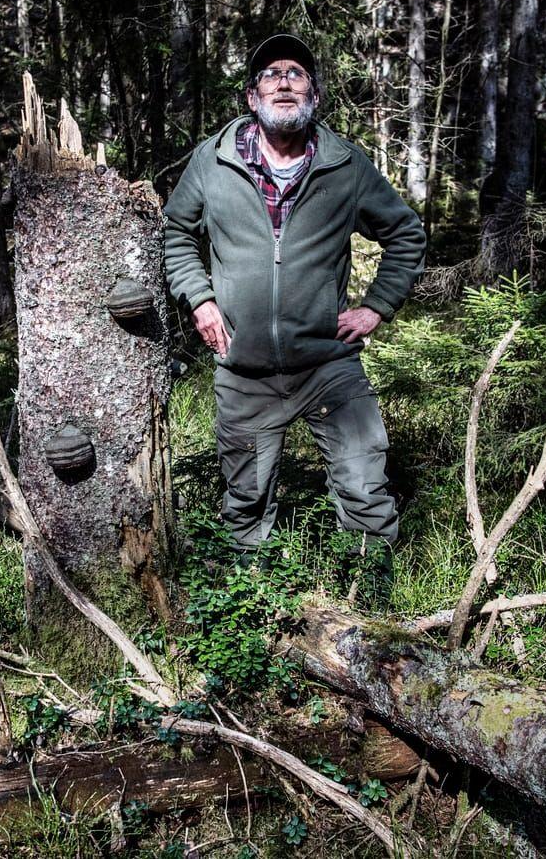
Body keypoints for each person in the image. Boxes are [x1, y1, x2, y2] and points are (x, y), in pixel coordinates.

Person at [162, 33, 427, 570]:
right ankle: (249, 618)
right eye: (270, 74)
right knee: (245, 508)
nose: (284, 80)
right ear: (251, 97)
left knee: (366, 492)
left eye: (296, 73)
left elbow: (405, 234)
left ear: (315, 95)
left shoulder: (345, 165)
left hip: (329, 365)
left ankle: (370, 604)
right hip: (244, 370)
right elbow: (175, 233)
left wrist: (376, 306)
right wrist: (200, 298)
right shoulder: (212, 163)